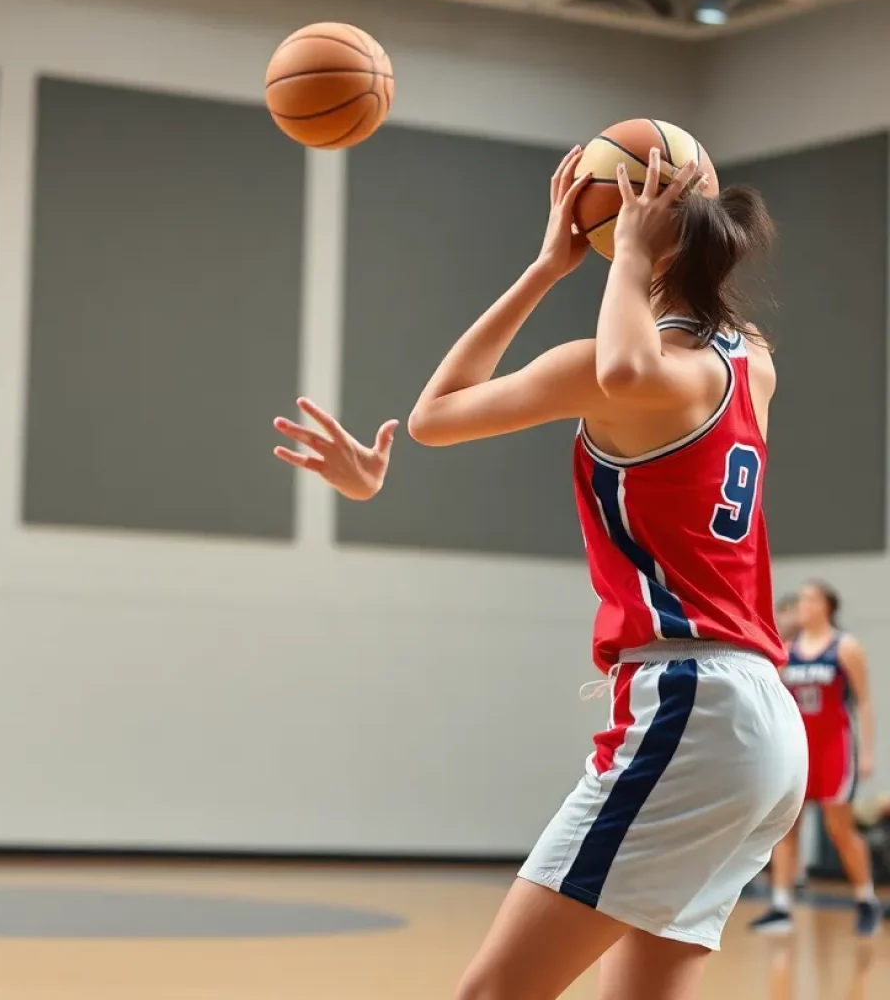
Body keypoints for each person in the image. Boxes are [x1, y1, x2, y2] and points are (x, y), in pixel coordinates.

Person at [275, 144, 806, 999]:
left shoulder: (619, 373)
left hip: (695, 713)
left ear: (628, 235)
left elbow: (435, 415)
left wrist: (557, 266)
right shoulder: (751, 359)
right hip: (758, 718)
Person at [751, 580, 880, 936]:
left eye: (809, 598)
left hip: (834, 749)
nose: (803, 604)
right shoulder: (787, 650)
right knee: (785, 827)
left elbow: (864, 702)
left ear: (826, 606)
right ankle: (780, 905)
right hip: (797, 750)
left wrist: (867, 752)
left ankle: (866, 899)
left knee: (839, 828)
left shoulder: (845, 648)